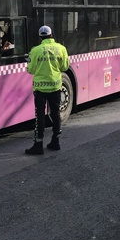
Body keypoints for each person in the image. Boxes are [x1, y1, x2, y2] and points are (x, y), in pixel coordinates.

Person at [25, 25, 70, 155]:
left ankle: (38, 145)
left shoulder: (35, 51)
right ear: (51, 35)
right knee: (55, 113)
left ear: (40, 37)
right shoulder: (61, 49)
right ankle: (55, 142)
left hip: (40, 89)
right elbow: (65, 66)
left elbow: (31, 70)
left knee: (40, 115)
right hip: (55, 86)